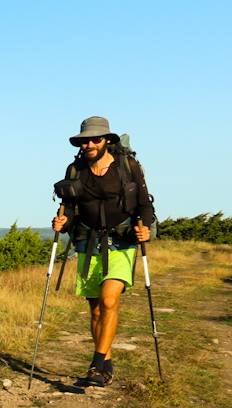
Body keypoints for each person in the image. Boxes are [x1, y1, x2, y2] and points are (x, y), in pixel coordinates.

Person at [52, 116, 154, 387]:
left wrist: (146, 228)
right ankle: (105, 364)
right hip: (88, 243)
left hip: (121, 242)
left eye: (95, 139)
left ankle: (96, 363)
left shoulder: (127, 166)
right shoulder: (75, 170)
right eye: (85, 141)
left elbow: (144, 204)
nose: (89, 145)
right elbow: (70, 209)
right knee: (96, 310)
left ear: (107, 140)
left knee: (109, 300)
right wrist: (63, 223)